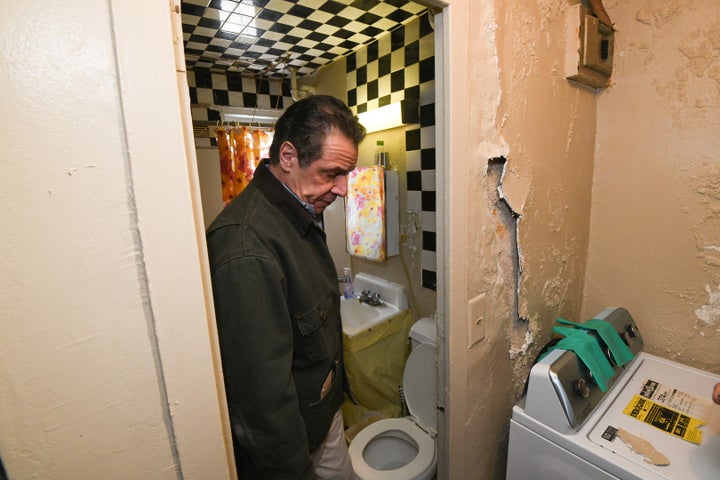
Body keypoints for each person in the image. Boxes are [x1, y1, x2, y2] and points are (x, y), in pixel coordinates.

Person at [206, 95, 366, 479]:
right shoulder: (246, 248)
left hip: (322, 417)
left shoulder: (299, 208)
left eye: (346, 174)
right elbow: (263, 405)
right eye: (331, 173)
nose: (343, 189)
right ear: (289, 157)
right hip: (292, 444)